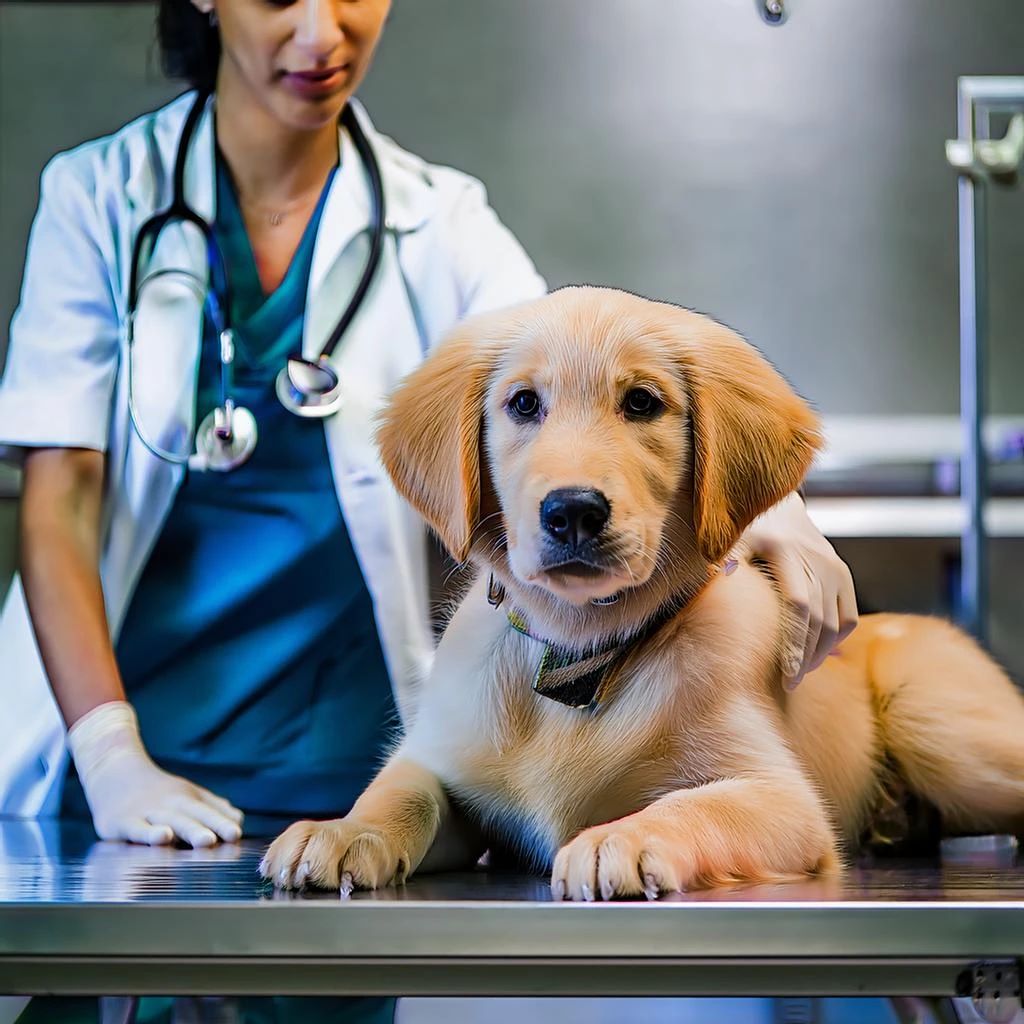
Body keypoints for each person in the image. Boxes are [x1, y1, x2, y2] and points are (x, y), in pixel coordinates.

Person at [0, 0, 857, 850]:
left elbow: (566, 366)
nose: (320, 34)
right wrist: (109, 753)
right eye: (276, 0)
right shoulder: (100, 199)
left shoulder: (439, 220)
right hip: (123, 779)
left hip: (345, 782)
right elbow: (59, 504)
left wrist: (769, 503)